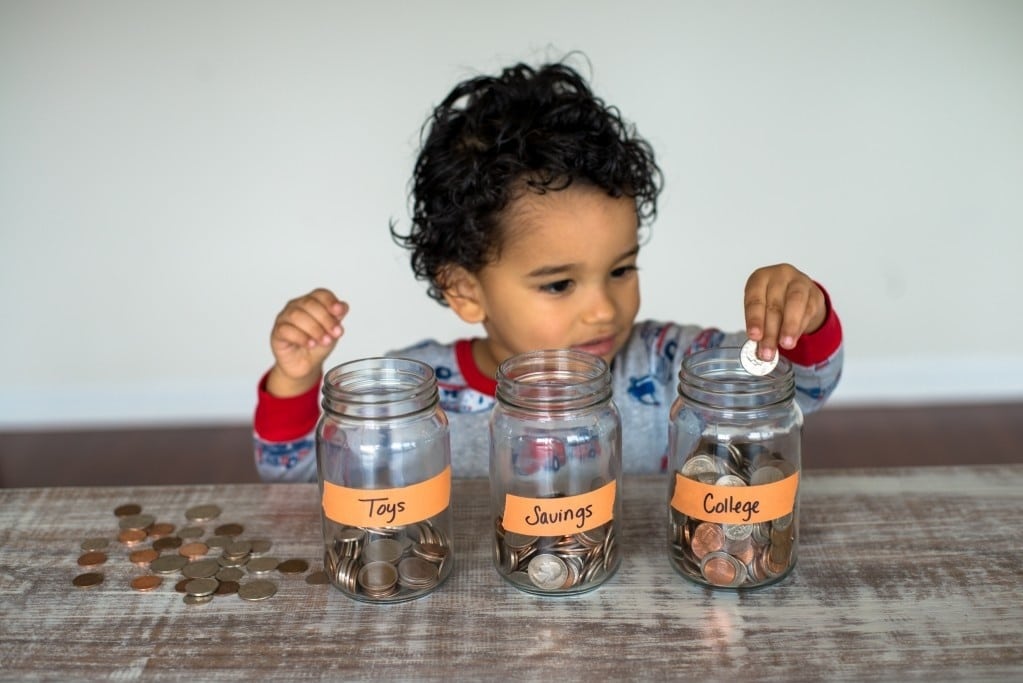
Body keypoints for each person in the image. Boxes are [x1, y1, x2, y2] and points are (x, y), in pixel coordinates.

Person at [253, 60, 843, 482]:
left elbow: (806, 389)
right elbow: (295, 472)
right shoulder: (419, 396)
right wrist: (297, 380)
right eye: (559, 284)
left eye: (621, 269)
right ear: (464, 290)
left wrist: (800, 316)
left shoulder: (667, 366)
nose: (604, 309)